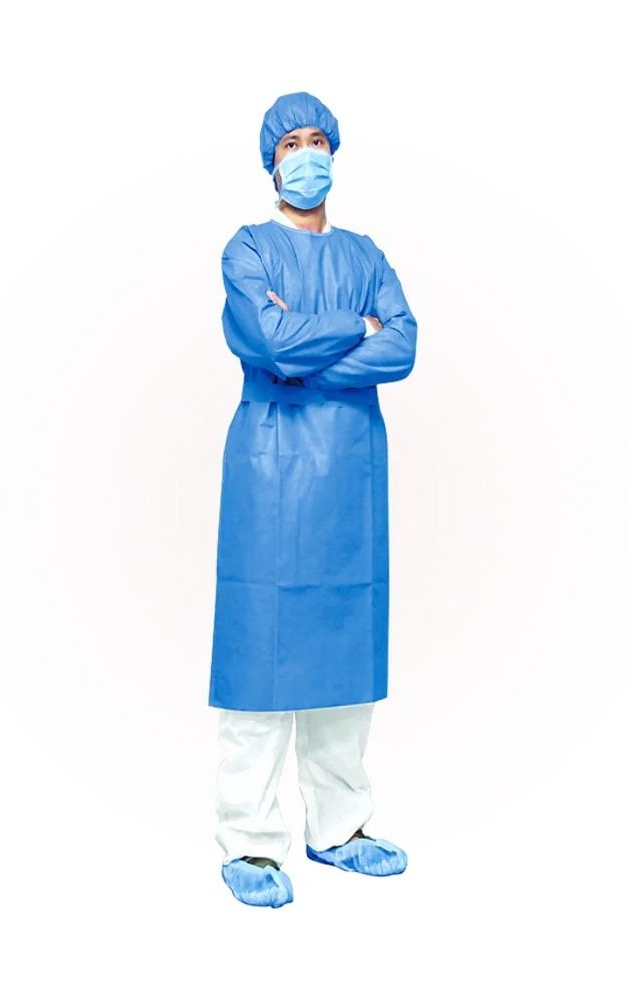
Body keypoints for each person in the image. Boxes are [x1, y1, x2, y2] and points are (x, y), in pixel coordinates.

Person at [209, 91, 419, 907]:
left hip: (349, 475)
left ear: (336, 152)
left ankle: (340, 828)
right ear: (271, 164)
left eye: (317, 141)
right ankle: (250, 843)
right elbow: (265, 340)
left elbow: (402, 345)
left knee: (341, 655)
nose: (306, 155)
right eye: (290, 144)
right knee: (260, 655)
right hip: (270, 471)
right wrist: (355, 330)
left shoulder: (366, 254)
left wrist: (306, 348)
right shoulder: (248, 249)